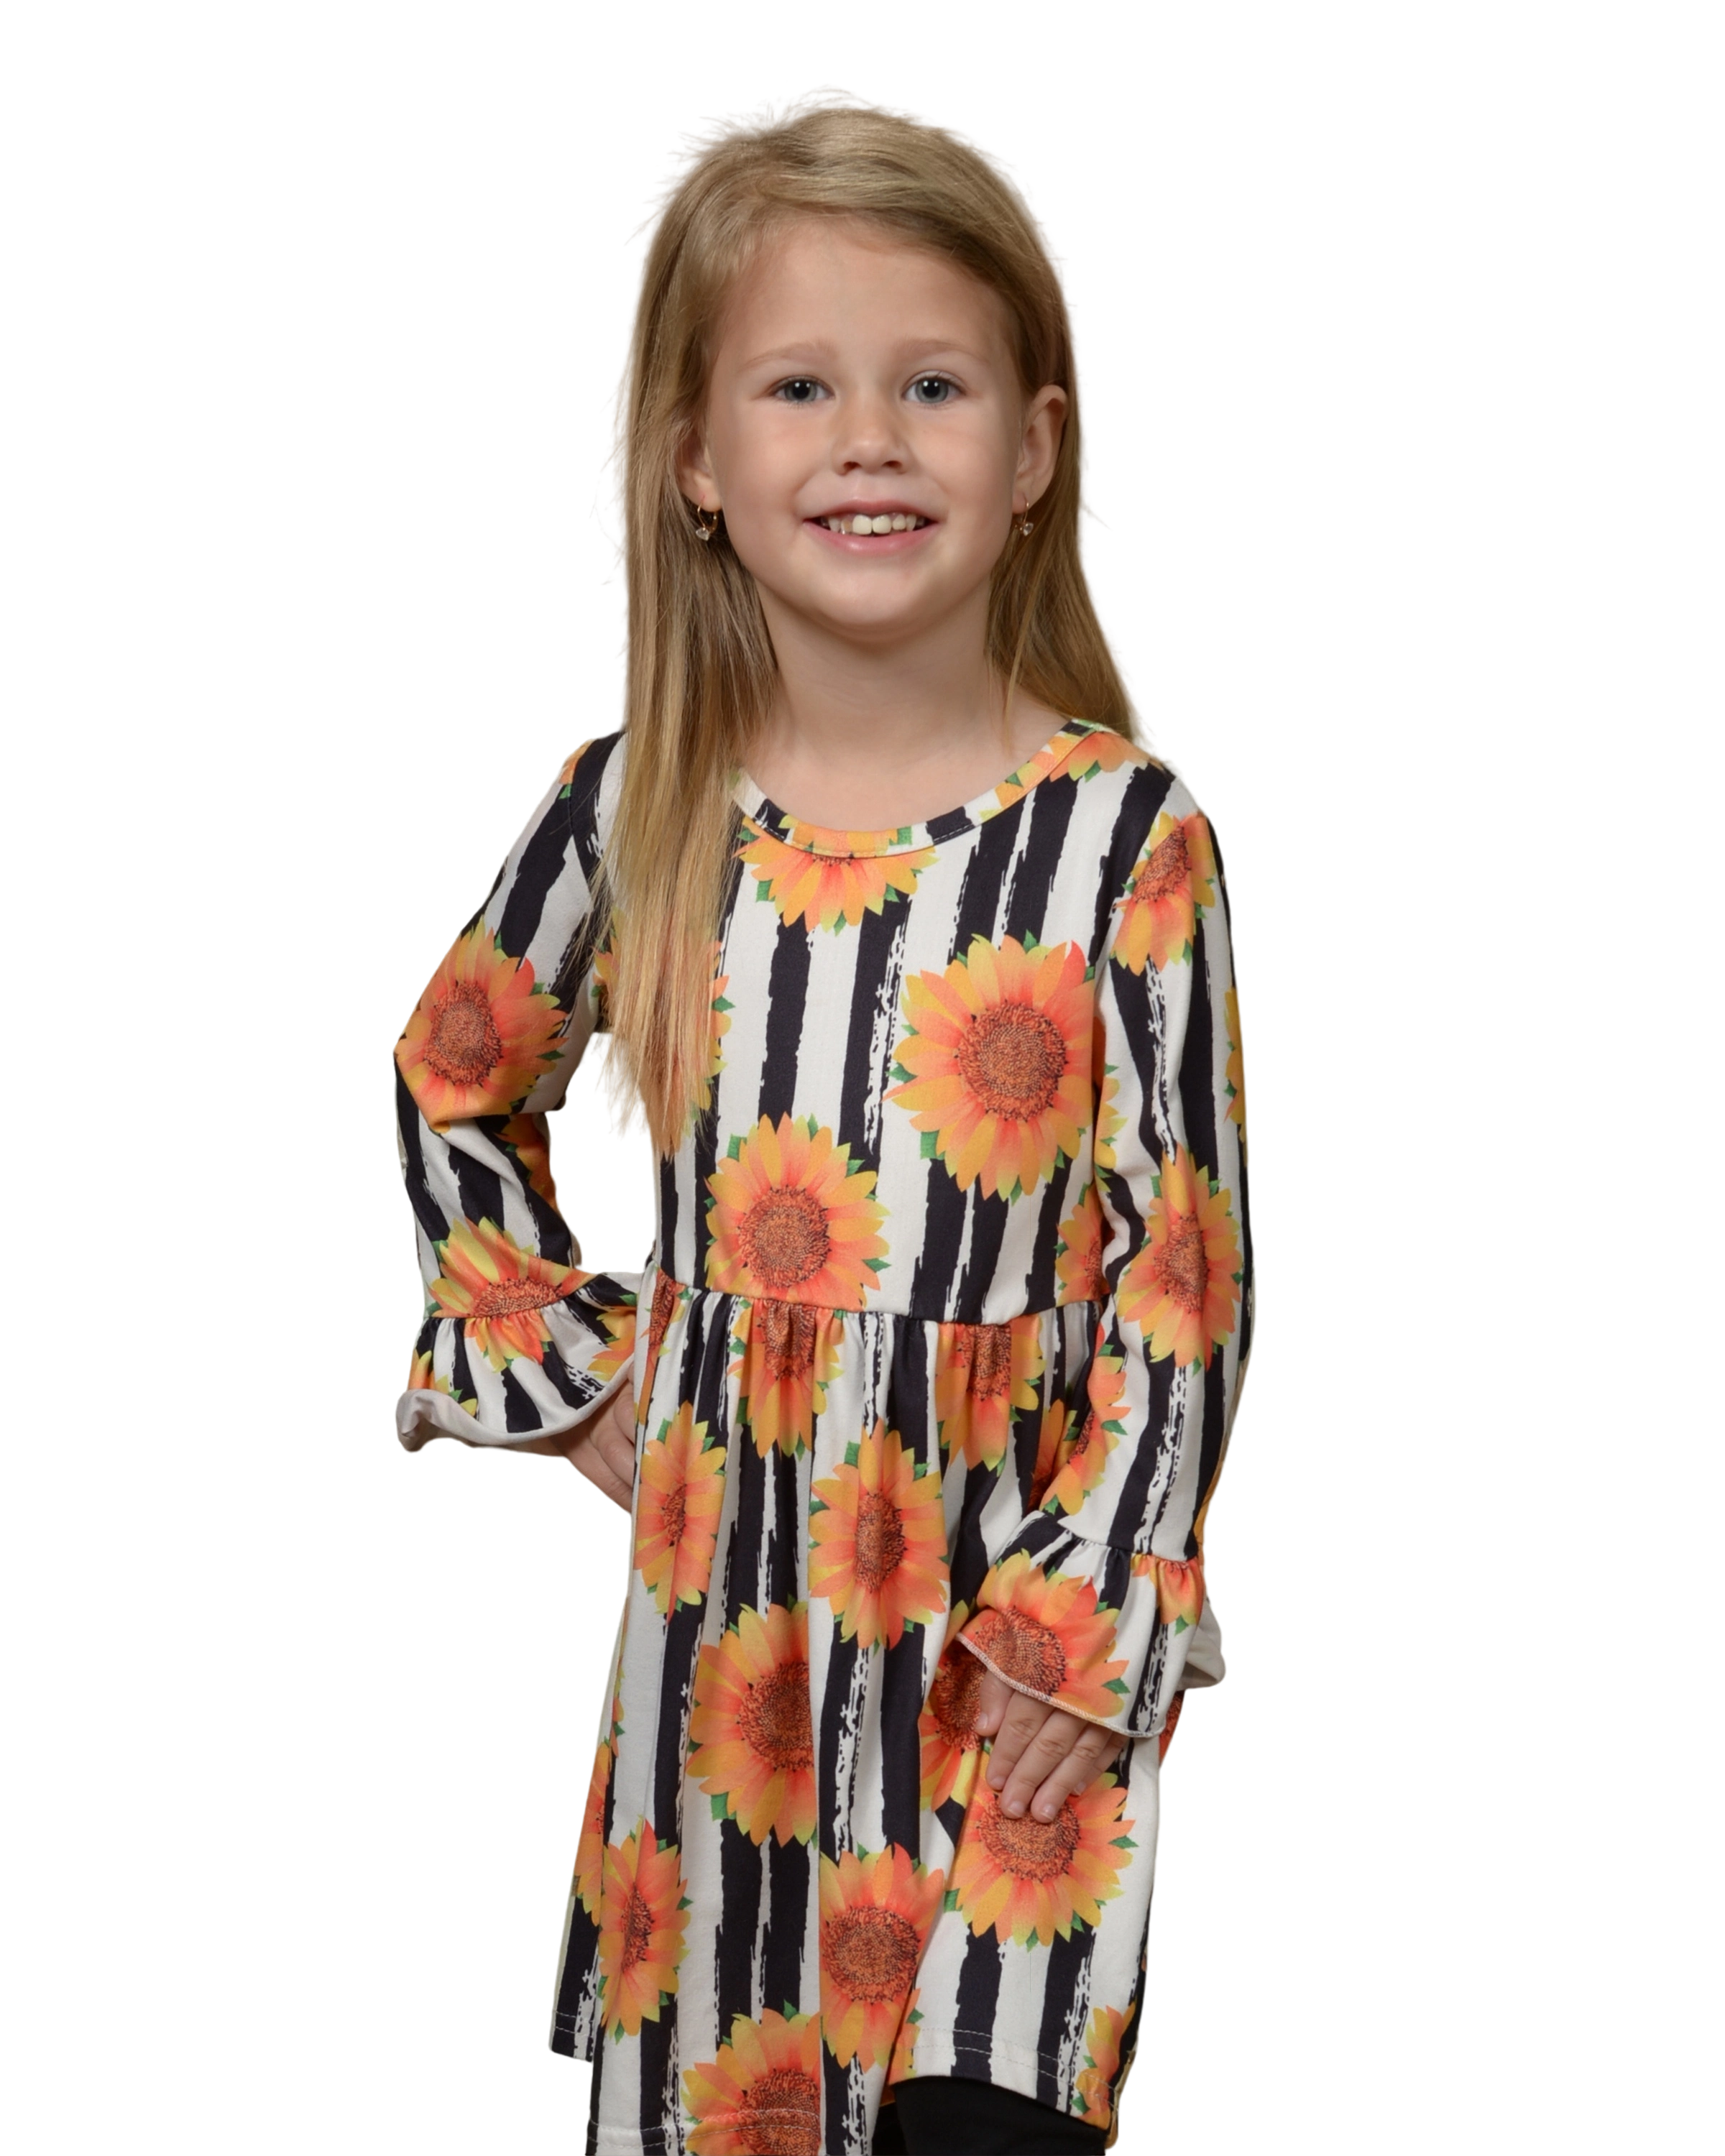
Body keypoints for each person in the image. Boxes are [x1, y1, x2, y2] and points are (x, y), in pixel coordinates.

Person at [388, 81, 1258, 2156]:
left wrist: (1087, 1613)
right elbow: (449, 1075)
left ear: (1032, 450)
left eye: (932, 385)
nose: (869, 439)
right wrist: (569, 1371)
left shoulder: (1125, 839)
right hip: (730, 1658)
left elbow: (1183, 1266)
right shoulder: (632, 809)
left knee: (988, 2104)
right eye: (800, 386)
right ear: (696, 460)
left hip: (1011, 1670)